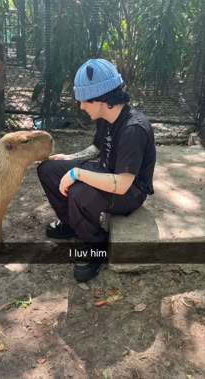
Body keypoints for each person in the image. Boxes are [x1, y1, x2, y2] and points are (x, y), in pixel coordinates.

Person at [37, 58, 156, 282]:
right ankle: (73, 223)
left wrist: (77, 173)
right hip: (106, 171)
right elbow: (96, 147)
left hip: (129, 192)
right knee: (48, 169)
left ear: (102, 99)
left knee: (79, 191)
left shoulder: (134, 129)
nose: (81, 107)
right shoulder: (105, 116)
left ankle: (95, 245)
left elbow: (122, 184)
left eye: (84, 101)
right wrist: (70, 159)